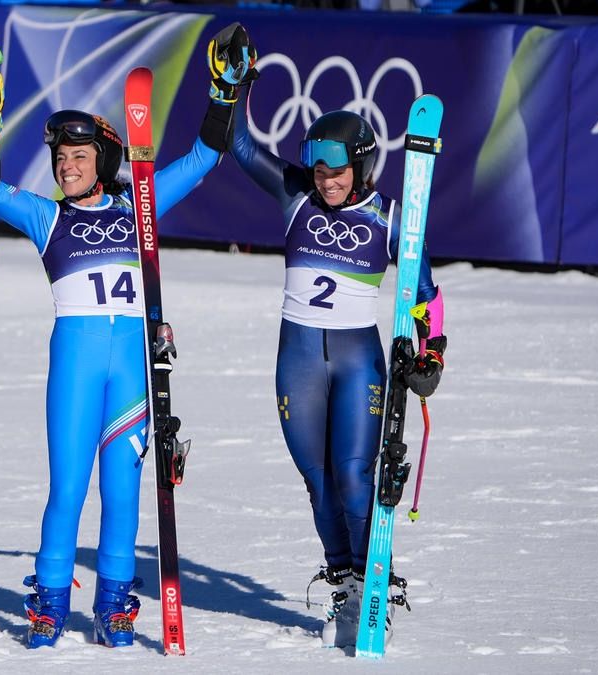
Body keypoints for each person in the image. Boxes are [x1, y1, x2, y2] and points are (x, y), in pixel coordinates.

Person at [0, 38, 234, 648]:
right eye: (60, 157)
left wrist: (225, 93)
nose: (66, 167)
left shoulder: (140, 204)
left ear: (103, 158)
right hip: (76, 366)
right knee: (67, 490)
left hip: (131, 370)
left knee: (122, 493)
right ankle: (50, 603)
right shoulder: (48, 217)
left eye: (78, 156)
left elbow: (204, 157)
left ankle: (113, 606)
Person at [205, 26, 448, 647]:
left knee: (354, 474)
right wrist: (238, 85)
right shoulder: (297, 197)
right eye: (318, 169)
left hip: (357, 358)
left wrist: (431, 352)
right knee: (317, 481)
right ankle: (345, 585)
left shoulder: (391, 219)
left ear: (361, 166)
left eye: (337, 171)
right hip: (298, 362)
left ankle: (375, 583)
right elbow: (240, 145)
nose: (326, 180)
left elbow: (426, 295)